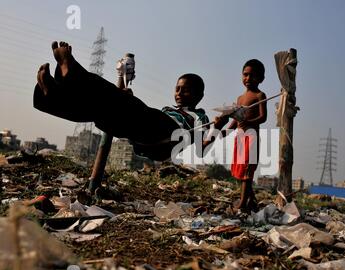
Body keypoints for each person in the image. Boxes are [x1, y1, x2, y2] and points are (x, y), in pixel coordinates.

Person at [34, 41, 210, 161]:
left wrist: (221, 124)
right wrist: (127, 100)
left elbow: (202, 150)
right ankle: (51, 97)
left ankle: (72, 73)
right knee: (99, 110)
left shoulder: (199, 117)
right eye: (177, 89)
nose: (179, 94)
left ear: (199, 96)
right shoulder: (167, 109)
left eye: (185, 90)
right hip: (143, 136)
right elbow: (142, 116)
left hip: (168, 136)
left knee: (127, 104)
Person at [216, 59, 267, 214]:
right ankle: (251, 200)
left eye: (252, 75)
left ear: (261, 78)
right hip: (239, 138)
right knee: (240, 171)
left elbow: (263, 117)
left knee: (246, 172)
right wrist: (227, 131)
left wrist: (248, 121)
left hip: (251, 138)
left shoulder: (260, 95)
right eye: (245, 75)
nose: (248, 78)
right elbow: (236, 120)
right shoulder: (240, 99)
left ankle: (243, 203)